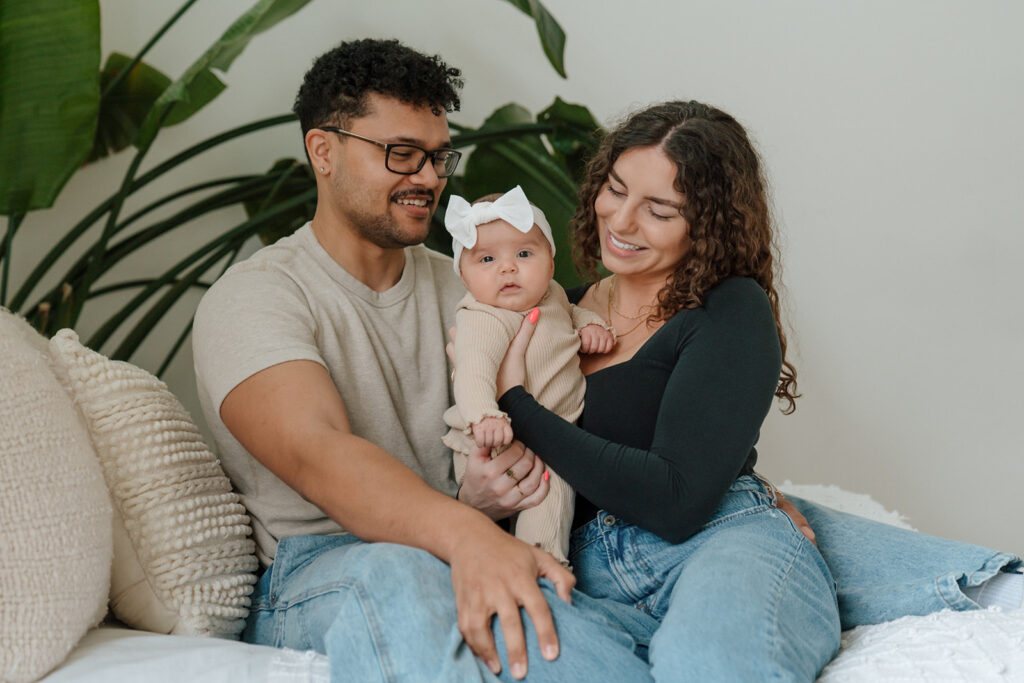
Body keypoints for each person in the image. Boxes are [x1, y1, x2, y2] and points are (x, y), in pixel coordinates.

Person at [192, 38, 1020, 682]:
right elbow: (323, 457)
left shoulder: (483, 281)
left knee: (723, 559)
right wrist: (468, 539)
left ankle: (990, 581)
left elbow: (610, 414)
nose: (428, 177)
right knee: (403, 578)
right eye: (400, 153)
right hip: (337, 559)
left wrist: (736, 481)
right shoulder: (257, 298)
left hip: (495, 532)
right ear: (323, 150)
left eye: (438, 156)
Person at [442, 186, 614, 565]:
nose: (508, 267)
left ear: (551, 264)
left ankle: (545, 563)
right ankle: (521, 567)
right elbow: (473, 372)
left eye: (523, 253)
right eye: (486, 259)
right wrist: (485, 416)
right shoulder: (484, 317)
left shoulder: (552, 295)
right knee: (535, 491)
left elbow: (572, 315)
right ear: (464, 277)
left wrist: (590, 326)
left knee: (551, 496)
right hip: (495, 441)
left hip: (551, 438)